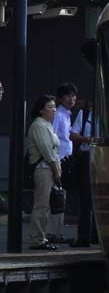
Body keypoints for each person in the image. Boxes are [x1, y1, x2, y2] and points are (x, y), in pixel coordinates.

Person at [49, 83, 86, 244]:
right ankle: (52, 233)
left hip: (65, 159)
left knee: (60, 196)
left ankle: (58, 233)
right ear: (60, 98)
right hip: (59, 159)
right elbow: (53, 137)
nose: (72, 98)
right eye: (68, 95)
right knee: (56, 196)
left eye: (74, 95)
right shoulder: (58, 115)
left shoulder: (67, 115)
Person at [26, 94, 61, 251]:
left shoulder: (47, 125)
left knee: (45, 205)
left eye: (54, 106)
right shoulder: (39, 125)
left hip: (48, 169)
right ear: (41, 110)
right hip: (43, 169)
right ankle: (37, 239)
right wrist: (56, 169)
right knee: (41, 205)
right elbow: (47, 150)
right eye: (50, 107)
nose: (54, 110)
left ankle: (42, 237)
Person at [71, 99, 97, 247]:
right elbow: (73, 135)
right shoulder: (84, 113)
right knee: (85, 199)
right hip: (86, 157)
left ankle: (96, 236)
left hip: (104, 157)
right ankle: (83, 237)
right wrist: (87, 139)